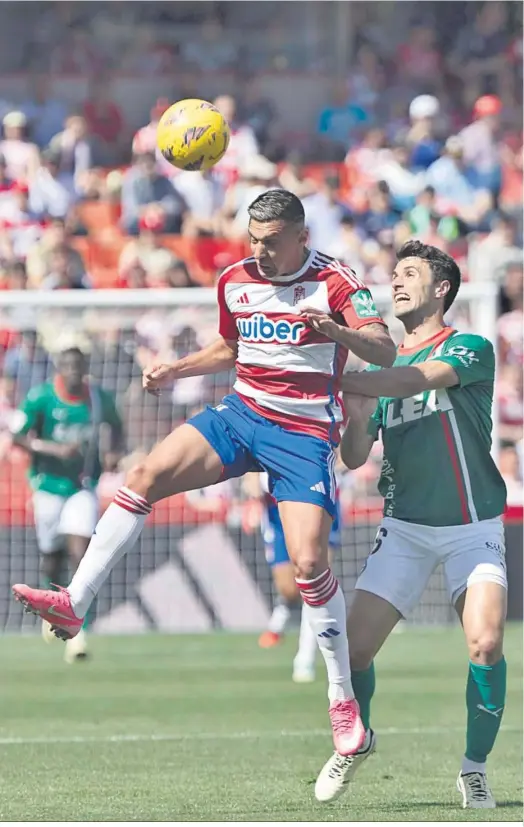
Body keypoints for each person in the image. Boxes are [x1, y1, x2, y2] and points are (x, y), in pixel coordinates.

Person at [13, 189, 396, 757]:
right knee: (142, 475)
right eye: (253, 239)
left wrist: (336, 331)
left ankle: (341, 698)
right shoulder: (235, 279)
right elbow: (232, 346)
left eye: (270, 242)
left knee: (310, 561)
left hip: (304, 432)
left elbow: (384, 350)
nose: (259, 251)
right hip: (243, 413)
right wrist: (177, 369)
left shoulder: (337, 282)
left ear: (301, 237)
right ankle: (75, 600)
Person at [313, 241, 508, 810]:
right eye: (393, 274)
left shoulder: (469, 347)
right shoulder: (376, 370)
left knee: (486, 643)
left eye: (410, 274)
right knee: (353, 655)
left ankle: (473, 769)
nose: (395, 282)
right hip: (404, 528)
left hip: (473, 526)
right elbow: (353, 456)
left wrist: (340, 374)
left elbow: (413, 379)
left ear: (442, 287)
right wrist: (350, 408)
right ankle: (357, 740)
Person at [11, 345, 124, 663]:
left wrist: (114, 452)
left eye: (79, 365)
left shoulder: (99, 398)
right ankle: (52, 608)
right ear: (60, 368)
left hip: (82, 484)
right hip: (47, 486)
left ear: (85, 367)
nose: (74, 371)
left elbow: (117, 427)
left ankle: (78, 631)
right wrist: (52, 449)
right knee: (52, 557)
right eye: (69, 366)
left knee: (80, 552)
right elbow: (18, 435)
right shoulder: (40, 397)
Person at [253, 471, 343, 684]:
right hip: (277, 513)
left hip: (319, 502)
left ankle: (305, 658)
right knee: (289, 589)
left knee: (314, 580)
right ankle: (278, 623)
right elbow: (251, 478)